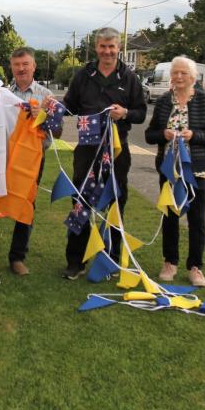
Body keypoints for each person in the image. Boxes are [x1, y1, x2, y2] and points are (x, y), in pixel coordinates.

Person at [61, 27, 147, 280]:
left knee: (115, 205)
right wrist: (53, 108)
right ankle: (75, 262)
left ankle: (109, 261)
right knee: (80, 203)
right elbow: (69, 106)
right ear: (96, 47)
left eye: (112, 47)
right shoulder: (83, 75)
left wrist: (126, 113)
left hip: (117, 151)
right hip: (87, 150)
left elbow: (141, 112)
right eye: (103, 46)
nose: (107, 51)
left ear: (118, 48)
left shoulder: (130, 77)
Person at [0, 47, 59, 275]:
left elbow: (57, 132)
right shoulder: (0, 93)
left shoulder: (45, 95)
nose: (21, 69)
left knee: (25, 200)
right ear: (11, 67)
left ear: (34, 66)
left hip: (31, 157)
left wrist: (46, 114)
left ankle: (17, 257)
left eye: (25, 64)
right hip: (2, 153)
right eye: (17, 65)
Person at [144, 55, 205, 287]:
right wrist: (163, 134)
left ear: (193, 77)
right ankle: (170, 262)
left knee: (197, 218)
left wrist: (194, 135)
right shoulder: (163, 102)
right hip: (170, 170)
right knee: (171, 217)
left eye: (183, 73)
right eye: (175, 73)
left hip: (196, 168)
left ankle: (196, 267)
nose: (178, 77)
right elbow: (150, 135)